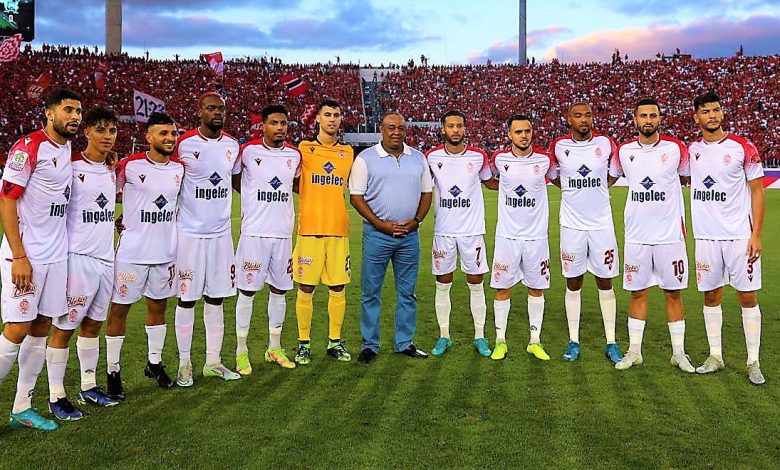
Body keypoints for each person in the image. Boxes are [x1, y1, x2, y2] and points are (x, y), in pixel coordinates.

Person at [0, 88, 80, 431]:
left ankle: (22, 407)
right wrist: (19, 255)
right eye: (68, 110)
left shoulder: (67, 148)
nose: (75, 116)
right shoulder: (28, 147)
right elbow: (6, 199)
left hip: (56, 256)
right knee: (16, 328)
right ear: (49, 113)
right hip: (26, 256)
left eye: (78, 111)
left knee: (41, 326)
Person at [46, 106, 121, 421]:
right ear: (87, 131)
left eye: (112, 131)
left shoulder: (112, 168)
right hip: (76, 260)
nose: (108, 136)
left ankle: (88, 386)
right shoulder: (70, 167)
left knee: (92, 325)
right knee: (64, 327)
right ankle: (56, 396)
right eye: (101, 129)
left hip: (106, 259)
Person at [609, 99, 695, 372]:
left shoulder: (675, 148)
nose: (648, 120)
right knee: (637, 293)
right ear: (635, 119)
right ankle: (634, 352)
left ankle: (678, 353)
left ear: (660, 118)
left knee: (673, 293)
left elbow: (686, 179)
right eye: (643, 115)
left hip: (670, 236)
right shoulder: (624, 151)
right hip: (637, 235)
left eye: (653, 115)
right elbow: (610, 178)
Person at [688, 91, 766, 385]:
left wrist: (755, 234)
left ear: (722, 113)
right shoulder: (691, 151)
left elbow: (757, 191)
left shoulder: (742, 147)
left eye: (716, 110)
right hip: (706, 238)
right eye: (705, 111)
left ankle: (753, 361)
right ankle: (715, 356)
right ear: (696, 117)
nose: (712, 115)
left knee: (747, 296)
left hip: (738, 237)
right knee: (711, 296)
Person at [104, 112, 184, 399]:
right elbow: (105, 192)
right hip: (132, 253)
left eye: (173, 134)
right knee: (119, 310)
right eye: (163, 133)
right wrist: (121, 217)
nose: (170, 138)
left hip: (165, 253)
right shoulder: (129, 165)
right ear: (148, 137)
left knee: (158, 308)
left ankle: (154, 363)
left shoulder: (179, 169)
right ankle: (113, 371)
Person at [349, 112, 432, 364]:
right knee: (371, 292)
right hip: (377, 235)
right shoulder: (365, 159)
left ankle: (404, 342)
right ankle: (370, 345)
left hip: (409, 236)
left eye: (401, 128)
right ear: (381, 130)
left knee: (407, 293)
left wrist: (416, 221)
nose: (396, 132)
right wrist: (380, 225)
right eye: (391, 127)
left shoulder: (418, 158)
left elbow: (427, 193)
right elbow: (356, 197)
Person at [174, 92, 241, 385]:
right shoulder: (184, 144)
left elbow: (236, 181)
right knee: (187, 298)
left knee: (217, 297)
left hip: (221, 235)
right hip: (189, 234)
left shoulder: (232, 146)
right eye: (211, 108)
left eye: (221, 109)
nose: (217, 113)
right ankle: (184, 363)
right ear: (199, 111)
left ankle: (213, 361)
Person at [548, 102, 623, 364]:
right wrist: (570, 189)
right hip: (571, 226)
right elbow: (553, 175)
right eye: (578, 116)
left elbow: (614, 174)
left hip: (602, 224)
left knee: (605, 281)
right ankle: (574, 340)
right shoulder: (559, 146)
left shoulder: (606, 143)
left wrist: (600, 188)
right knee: (573, 281)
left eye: (588, 115)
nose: (584, 120)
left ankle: (611, 342)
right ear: (569, 119)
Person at [231, 105, 300, 373]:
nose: (280, 128)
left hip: (282, 234)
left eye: (284, 123)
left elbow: (295, 185)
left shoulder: (294, 155)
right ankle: (241, 351)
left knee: (280, 290)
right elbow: (234, 178)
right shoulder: (248, 151)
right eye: (274, 123)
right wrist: (251, 198)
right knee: (247, 291)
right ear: (263, 126)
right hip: (254, 233)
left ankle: (274, 348)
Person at [486, 115, 555, 361]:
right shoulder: (499, 159)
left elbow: (556, 179)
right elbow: (489, 182)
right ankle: (500, 341)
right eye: (518, 132)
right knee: (503, 288)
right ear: (509, 135)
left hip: (536, 238)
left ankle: (534, 341)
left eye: (527, 131)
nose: (523, 135)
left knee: (536, 288)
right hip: (508, 237)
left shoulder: (544, 160)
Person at [425, 110, 492, 358]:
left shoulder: (478, 156)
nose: (455, 130)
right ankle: (444, 336)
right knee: (443, 284)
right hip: (444, 231)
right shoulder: (431, 157)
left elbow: (491, 182)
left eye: (459, 126)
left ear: (465, 128)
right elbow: (423, 187)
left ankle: (480, 336)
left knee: (476, 283)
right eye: (451, 126)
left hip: (472, 232)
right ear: (443, 129)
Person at [292, 99, 354, 365]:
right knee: (306, 288)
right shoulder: (304, 149)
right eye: (327, 114)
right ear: (317, 118)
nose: (332, 119)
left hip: (338, 230)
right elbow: (294, 182)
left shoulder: (348, 153)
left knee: (337, 286)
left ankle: (334, 342)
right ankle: (303, 344)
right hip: (310, 230)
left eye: (336, 115)